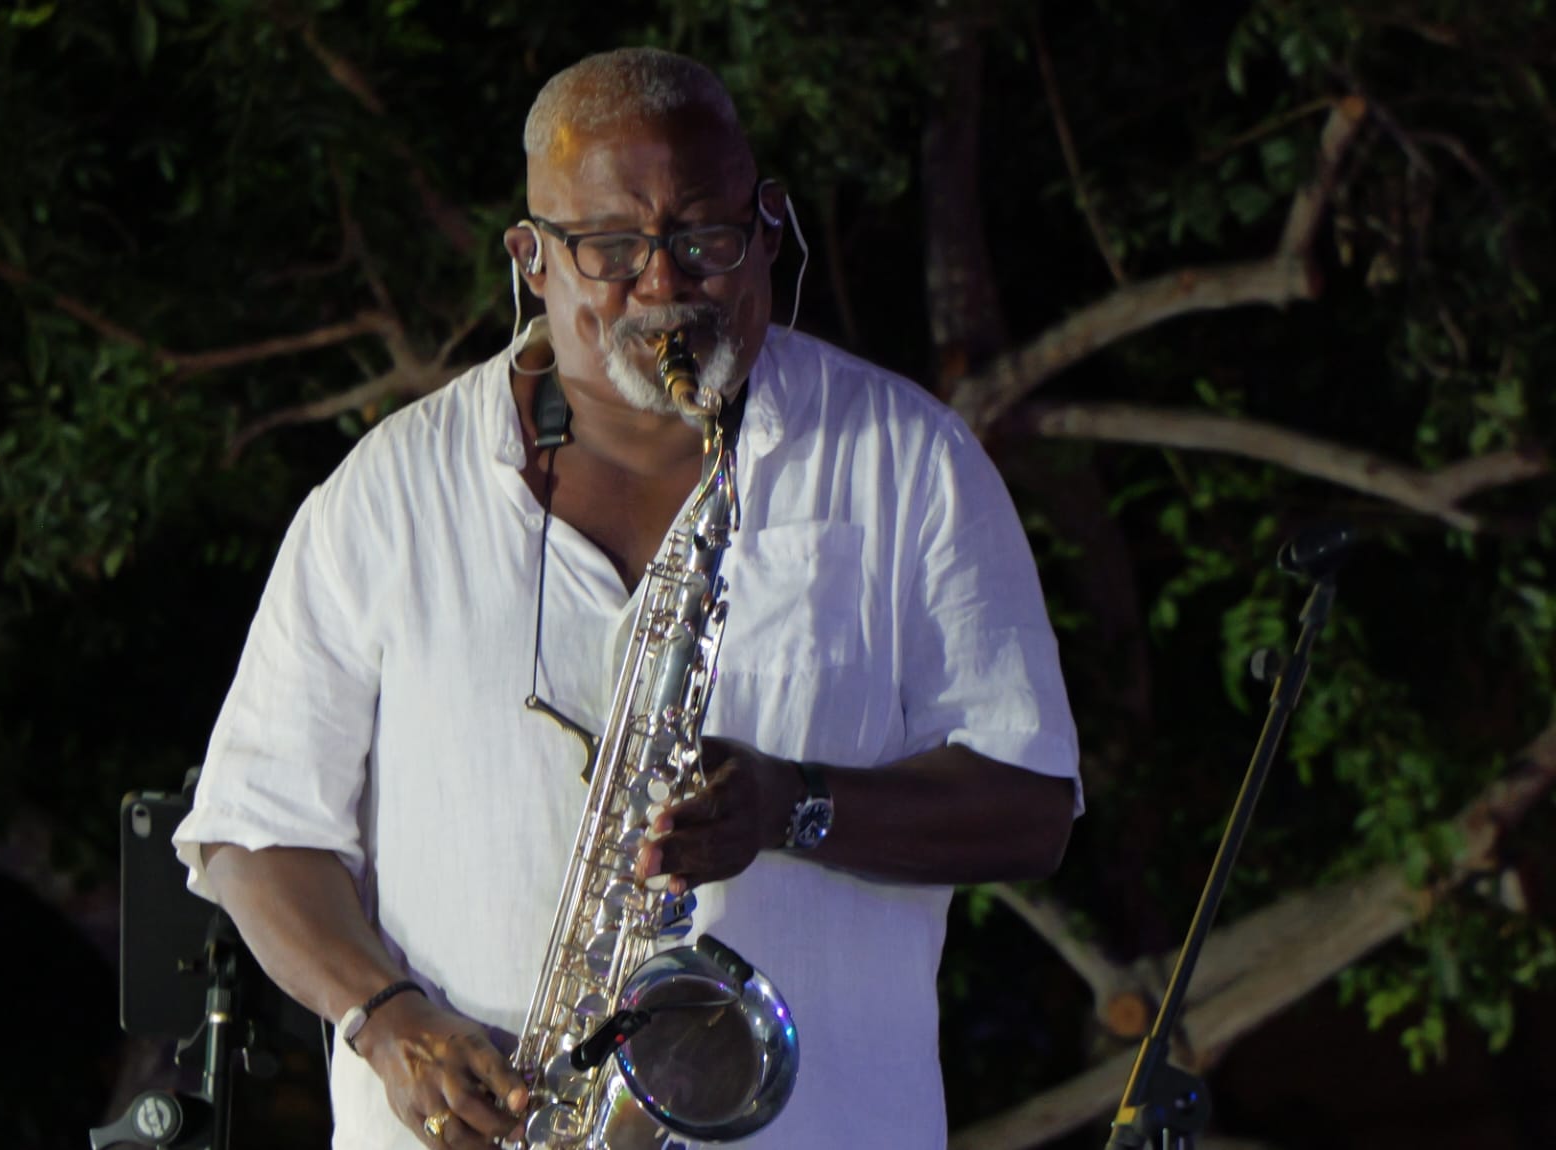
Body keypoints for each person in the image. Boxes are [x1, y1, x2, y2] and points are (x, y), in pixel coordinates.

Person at [173, 46, 1080, 1150]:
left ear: (766, 231)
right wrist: (382, 1014)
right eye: (608, 246)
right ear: (531, 258)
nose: (660, 285)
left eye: (704, 238)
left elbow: (1028, 805)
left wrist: (792, 803)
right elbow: (255, 833)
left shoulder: (905, 463)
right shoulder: (388, 492)